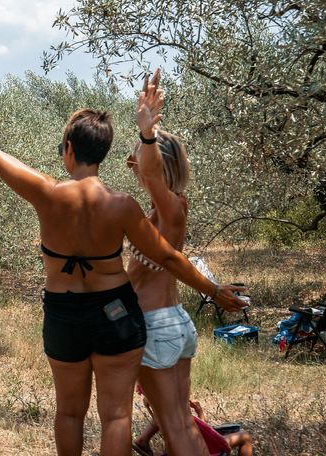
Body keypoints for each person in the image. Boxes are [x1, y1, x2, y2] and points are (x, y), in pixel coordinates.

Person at [0, 80, 246, 456]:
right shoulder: (122, 204)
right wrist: (213, 290)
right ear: (103, 153)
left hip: (63, 314)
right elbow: (170, 258)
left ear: (69, 149)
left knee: (70, 413)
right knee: (116, 417)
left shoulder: (47, 192)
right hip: (117, 314)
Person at [127, 70, 215, 456]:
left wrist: (146, 133)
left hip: (155, 325)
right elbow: (146, 173)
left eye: (145, 159)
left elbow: (149, 172)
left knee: (176, 431)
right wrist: (141, 156)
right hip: (173, 321)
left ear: (159, 167)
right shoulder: (168, 208)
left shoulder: (171, 206)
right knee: (179, 423)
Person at [134, 398, 253, 456]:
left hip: (176, 447)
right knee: (245, 436)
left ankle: (143, 439)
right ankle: (143, 440)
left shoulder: (162, 407)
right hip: (196, 449)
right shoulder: (178, 407)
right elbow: (199, 435)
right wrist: (200, 412)